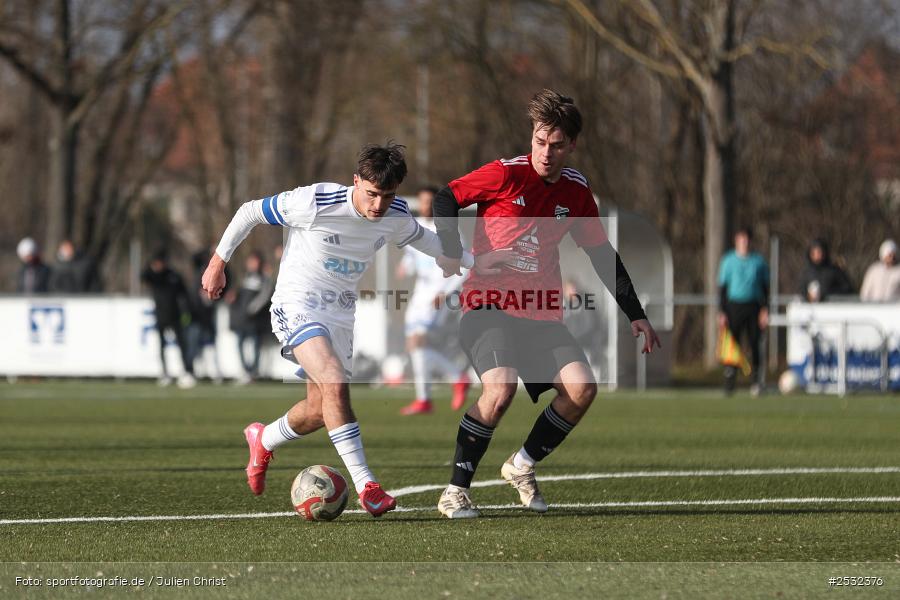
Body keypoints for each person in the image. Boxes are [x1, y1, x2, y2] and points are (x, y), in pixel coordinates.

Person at [200, 143, 509, 518]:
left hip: (341, 315)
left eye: (388, 195)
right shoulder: (315, 201)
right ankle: (368, 486)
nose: (379, 204)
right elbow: (250, 211)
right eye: (372, 193)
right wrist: (218, 262)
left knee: (319, 409)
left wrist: (472, 261)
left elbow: (426, 240)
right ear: (356, 181)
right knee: (334, 382)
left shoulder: (395, 214)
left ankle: (262, 437)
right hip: (297, 303)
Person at [431, 89, 661, 519]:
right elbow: (447, 197)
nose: (546, 153)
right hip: (488, 304)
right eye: (540, 141)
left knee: (582, 390)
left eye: (556, 145)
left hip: (540, 312)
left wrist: (637, 315)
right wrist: (449, 247)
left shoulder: (575, 191)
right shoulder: (506, 174)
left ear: (572, 145)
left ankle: (521, 465)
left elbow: (600, 254)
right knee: (499, 390)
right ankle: (455, 491)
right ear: (531, 137)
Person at [397, 185, 471, 415]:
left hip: (438, 295)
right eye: (422, 201)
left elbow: (466, 268)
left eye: (430, 201)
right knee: (413, 345)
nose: (425, 206)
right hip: (420, 294)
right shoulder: (415, 230)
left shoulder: (450, 232)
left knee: (419, 342)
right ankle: (425, 398)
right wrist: (404, 267)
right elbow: (412, 260)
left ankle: (456, 378)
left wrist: (447, 293)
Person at [717, 227, 769, 396]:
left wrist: (764, 309)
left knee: (755, 343)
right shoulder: (728, 261)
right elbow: (723, 289)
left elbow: (765, 288)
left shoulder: (758, 262)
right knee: (733, 345)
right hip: (734, 307)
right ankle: (730, 383)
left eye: (746, 239)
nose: (744, 242)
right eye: (741, 239)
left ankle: (756, 382)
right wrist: (722, 312)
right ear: (736, 241)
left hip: (753, 306)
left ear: (750, 241)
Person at [141, 249, 196, 389]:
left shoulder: (173, 276)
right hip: (160, 316)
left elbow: (184, 294)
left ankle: (187, 372)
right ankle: (165, 373)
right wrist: (150, 267)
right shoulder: (153, 276)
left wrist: (187, 311)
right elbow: (143, 276)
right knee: (162, 346)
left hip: (175, 316)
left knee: (182, 345)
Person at [228, 251, 274, 384]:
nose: (252, 264)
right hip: (242, 319)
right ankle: (245, 371)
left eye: (254, 262)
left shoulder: (264, 278)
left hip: (255, 320)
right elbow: (237, 292)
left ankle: (253, 371)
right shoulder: (244, 277)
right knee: (239, 344)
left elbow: (264, 297)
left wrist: (252, 310)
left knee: (256, 345)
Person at [187, 248, 226, 383]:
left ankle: (212, 371)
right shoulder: (201, 271)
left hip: (206, 314)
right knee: (195, 345)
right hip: (197, 315)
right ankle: (192, 372)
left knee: (209, 343)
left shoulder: (211, 271)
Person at [797, 238, 853, 302]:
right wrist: (808, 296)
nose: (817, 255)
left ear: (825, 253)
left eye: (819, 252)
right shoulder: (806, 273)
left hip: (832, 308)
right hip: (812, 310)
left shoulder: (834, 271)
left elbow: (848, 289)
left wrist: (828, 293)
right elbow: (801, 290)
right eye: (814, 253)